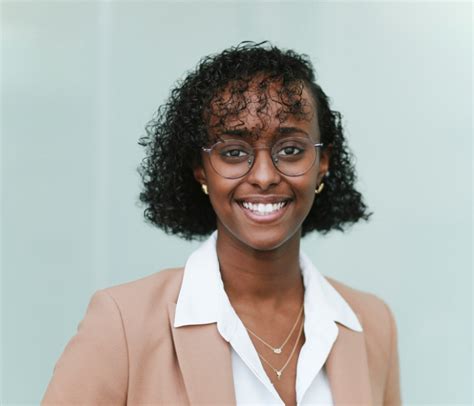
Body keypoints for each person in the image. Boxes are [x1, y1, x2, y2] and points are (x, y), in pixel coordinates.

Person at [43, 42, 401, 405]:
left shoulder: (372, 324)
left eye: (291, 150)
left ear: (323, 162)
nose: (264, 176)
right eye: (234, 152)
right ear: (201, 169)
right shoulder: (122, 323)